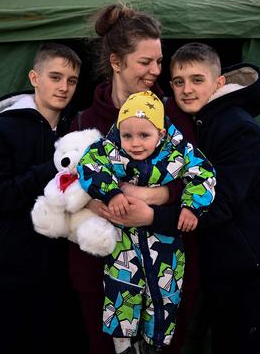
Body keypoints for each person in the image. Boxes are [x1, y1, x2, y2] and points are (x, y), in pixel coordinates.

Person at [68, 2, 199, 354]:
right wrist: (92, 198)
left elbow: (194, 178)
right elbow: (64, 187)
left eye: (158, 60)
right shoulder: (84, 123)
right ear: (116, 62)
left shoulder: (172, 117)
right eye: (145, 62)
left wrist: (154, 197)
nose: (156, 70)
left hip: (163, 274)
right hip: (100, 276)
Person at [168, 42, 260, 354]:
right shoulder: (198, 124)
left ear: (218, 82)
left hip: (253, 272)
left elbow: (219, 201)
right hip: (220, 269)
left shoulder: (238, 128)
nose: (187, 90)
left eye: (197, 80)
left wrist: (152, 209)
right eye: (179, 81)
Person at [76, 91, 216, 353]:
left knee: (164, 295)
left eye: (144, 135)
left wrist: (191, 208)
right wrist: (112, 192)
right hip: (123, 247)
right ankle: (123, 344)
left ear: (161, 134)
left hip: (165, 247)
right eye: (127, 135)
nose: (135, 143)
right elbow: (89, 165)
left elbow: (204, 174)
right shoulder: (111, 150)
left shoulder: (177, 153)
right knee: (121, 289)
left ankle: (156, 343)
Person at [0, 42, 84, 353]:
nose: (63, 87)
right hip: (6, 266)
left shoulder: (75, 129)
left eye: (72, 81)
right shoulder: (4, 127)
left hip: (55, 270)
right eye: (55, 77)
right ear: (35, 78)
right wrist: (52, 168)